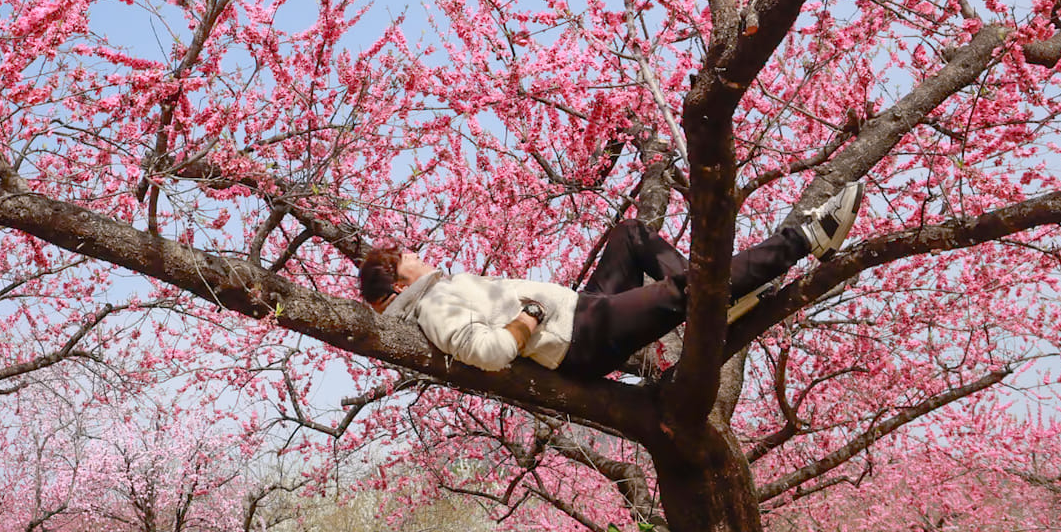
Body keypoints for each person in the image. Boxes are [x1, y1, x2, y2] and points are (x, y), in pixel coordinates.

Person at [358, 182, 864, 379]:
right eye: (404, 258)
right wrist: (529, 316)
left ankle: (713, 308)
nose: (417, 255)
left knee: (630, 235)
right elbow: (489, 353)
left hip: (581, 312)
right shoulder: (433, 307)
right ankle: (807, 238)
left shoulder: (439, 292)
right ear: (399, 287)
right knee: (684, 290)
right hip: (581, 338)